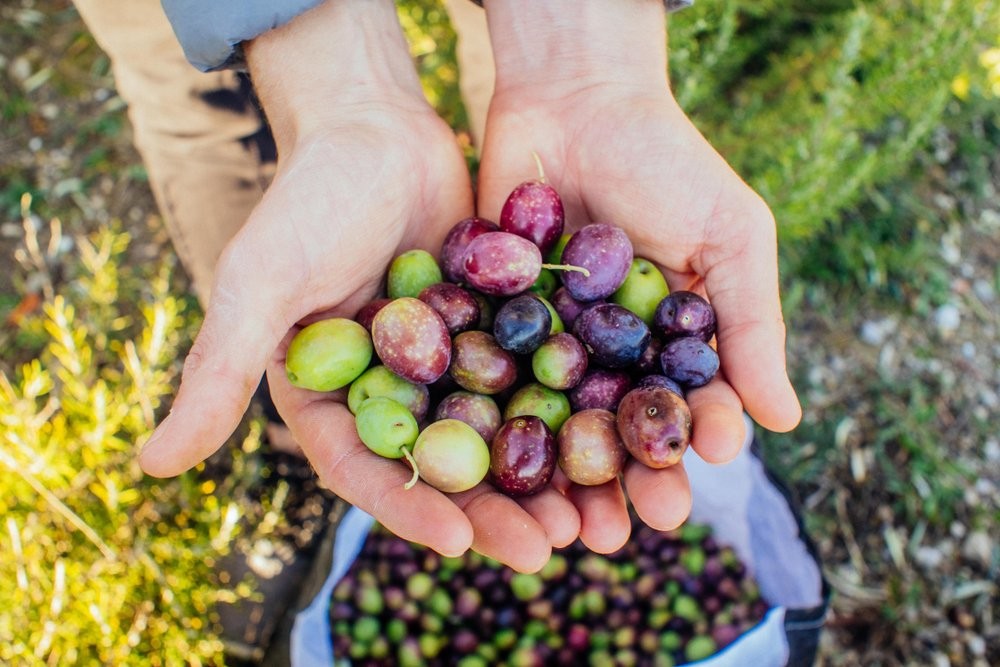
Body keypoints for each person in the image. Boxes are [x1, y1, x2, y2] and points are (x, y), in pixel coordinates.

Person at [75, 0, 802, 659]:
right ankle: (291, 448)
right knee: (215, 105)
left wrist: (584, 59)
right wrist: (326, 88)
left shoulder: (557, 345)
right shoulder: (459, 338)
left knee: (514, 64)